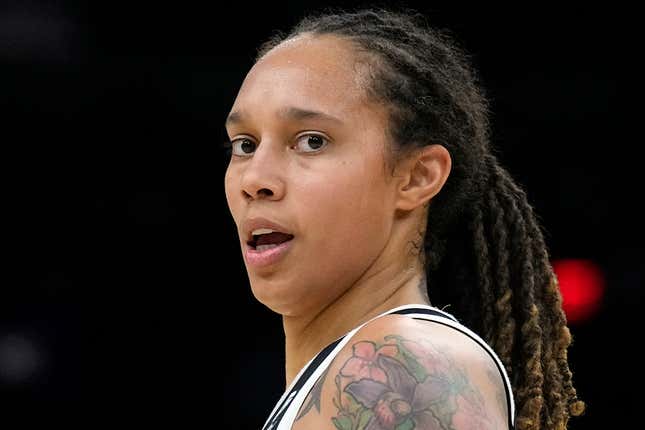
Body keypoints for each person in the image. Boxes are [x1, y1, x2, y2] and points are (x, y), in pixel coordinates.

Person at [223, 8, 584, 430]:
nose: (255, 178)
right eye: (245, 144)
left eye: (311, 141)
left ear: (416, 177)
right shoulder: (345, 371)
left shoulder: (405, 363)